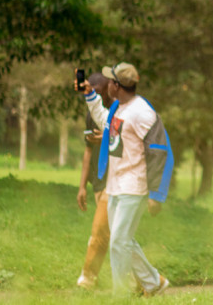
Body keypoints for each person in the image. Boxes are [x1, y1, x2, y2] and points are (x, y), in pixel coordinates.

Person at [79, 62, 174, 296]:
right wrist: (90, 96)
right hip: (116, 186)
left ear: (116, 85)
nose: (107, 84)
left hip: (135, 187)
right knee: (123, 241)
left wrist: (156, 193)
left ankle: (120, 295)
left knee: (118, 242)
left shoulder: (142, 112)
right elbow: (104, 120)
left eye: (110, 81)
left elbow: (159, 151)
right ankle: (154, 283)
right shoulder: (118, 109)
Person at [76, 73, 115, 290]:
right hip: (98, 179)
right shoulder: (93, 115)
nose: (96, 95)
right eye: (92, 92)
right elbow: (88, 152)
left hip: (115, 177)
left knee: (103, 231)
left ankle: (88, 279)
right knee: (110, 232)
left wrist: (108, 136)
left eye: (99, 91)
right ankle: (145, 280)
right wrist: (82, 186)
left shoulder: (118, 113)